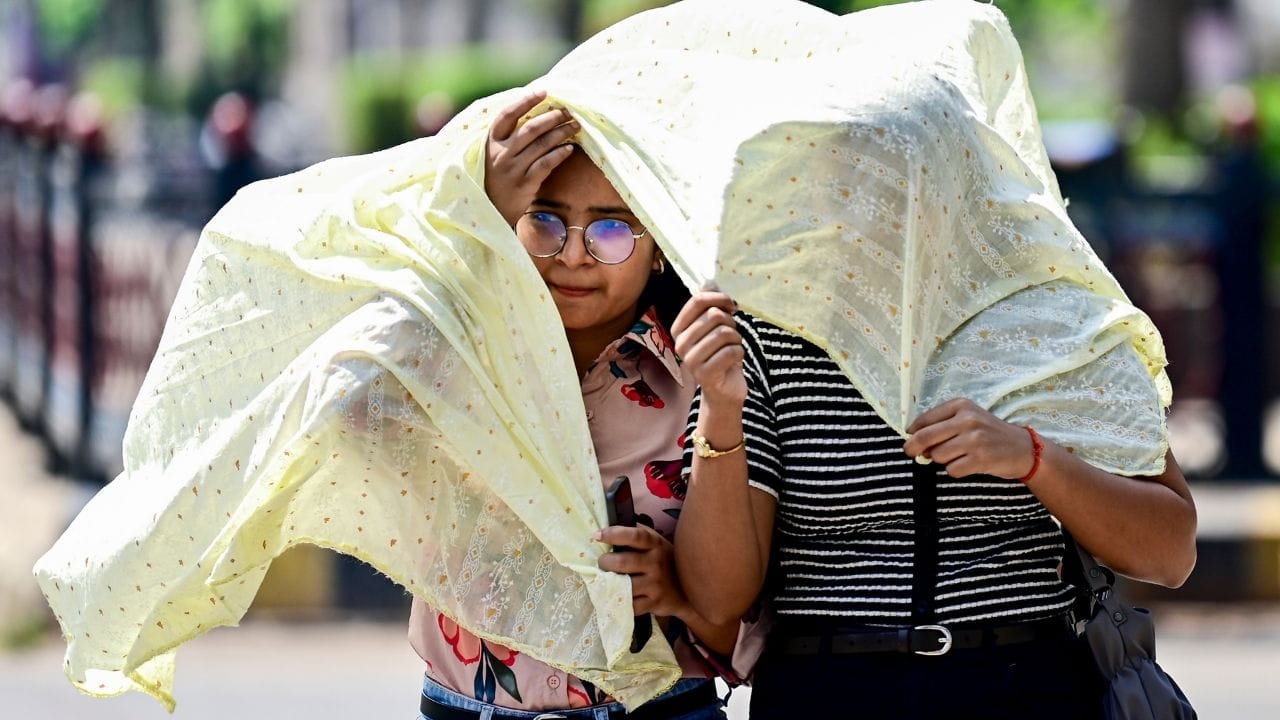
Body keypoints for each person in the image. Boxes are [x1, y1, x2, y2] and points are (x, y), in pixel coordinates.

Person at [668, 297, 1198, 718]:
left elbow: (1169, 553)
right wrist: (720, 405)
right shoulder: (765, 334)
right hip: (823, 690)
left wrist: (1036, 459)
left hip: (1025, 683)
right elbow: (718, 598)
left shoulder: (1055, 319)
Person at [408, 90, 733, 720]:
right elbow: (353, 403)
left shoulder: (711, 381)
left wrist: (679, 590)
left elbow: (737, 635)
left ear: (660, 241)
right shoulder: (449, 346)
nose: (576, 254)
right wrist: (479, 217)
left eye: (612, 228)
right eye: (544, 221)